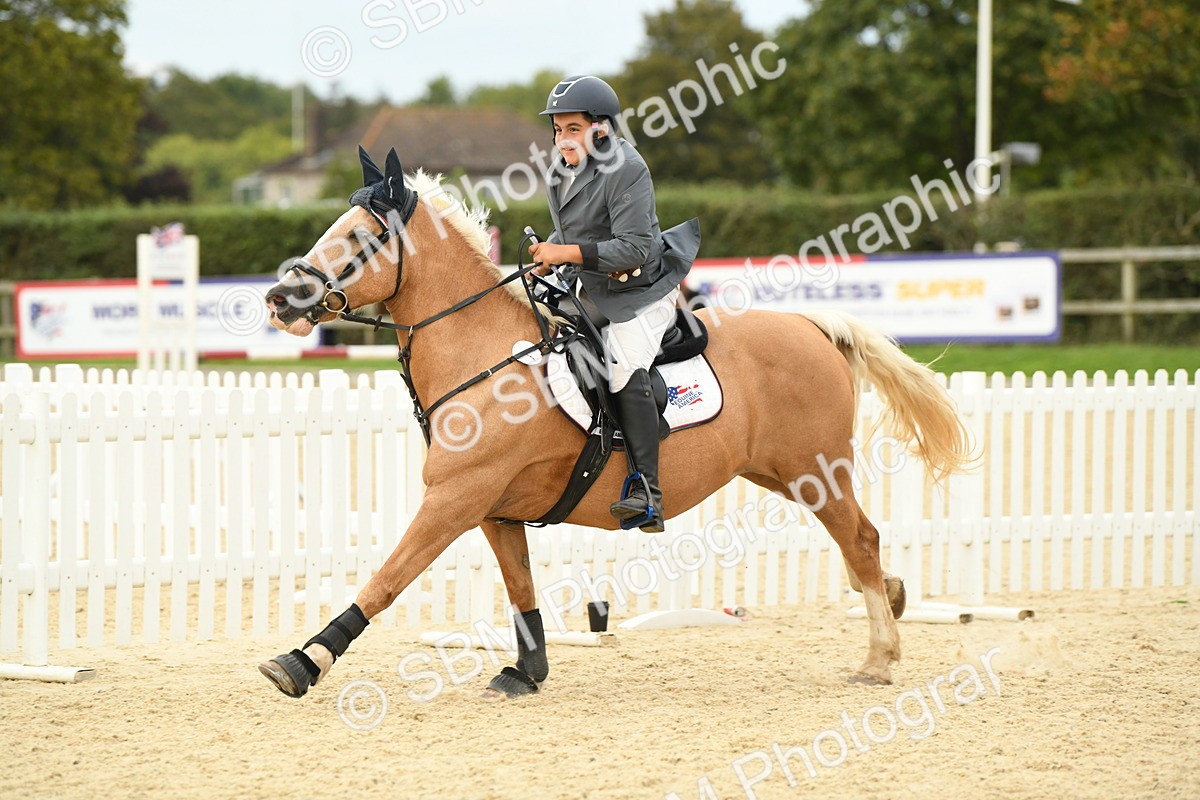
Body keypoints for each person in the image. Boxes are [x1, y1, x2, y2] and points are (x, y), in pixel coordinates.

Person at [528, 75, 700, 533]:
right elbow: (570, 236)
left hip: (643, 289)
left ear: (600, 129)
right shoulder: (561, 171)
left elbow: (636, 249)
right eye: (557, 130)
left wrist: (563, 254)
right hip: (594, 284)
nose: (561, 140)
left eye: (571, 129)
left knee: (623, 363)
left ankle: (647, 491)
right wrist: (547, 257)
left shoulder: (627, 167)